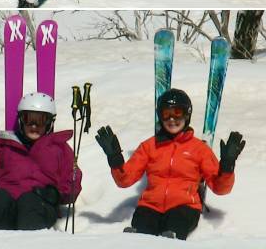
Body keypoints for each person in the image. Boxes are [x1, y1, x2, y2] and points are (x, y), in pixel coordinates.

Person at [95, 89, 245, 240]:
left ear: (187, 115)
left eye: (177, 112)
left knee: (174, 226)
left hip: (184, 207)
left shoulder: (199, 149)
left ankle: (170, 240)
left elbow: (220, 188)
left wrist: (227, 166)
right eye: (166, 114)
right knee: (141, 233)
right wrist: (115, 159)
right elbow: (124, 180)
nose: (172, 119)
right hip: (150, 206)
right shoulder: (149, 146)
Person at [0, 93, 81, 230]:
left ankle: (30, 242)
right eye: (28, 119)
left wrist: (56, 195)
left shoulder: (60, 149)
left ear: (50, 122)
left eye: (41, 120)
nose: (34, 126)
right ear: (20, 120)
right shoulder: (5, 145)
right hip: (7, 206)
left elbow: (72, 182)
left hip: (39, 206)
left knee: (29, 200)